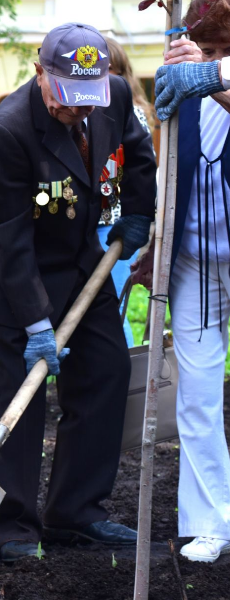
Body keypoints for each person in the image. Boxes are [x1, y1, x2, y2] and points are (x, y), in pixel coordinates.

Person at [0, 23, 157, 563]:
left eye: (86, 100)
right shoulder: (7, 132)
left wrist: (139, 211)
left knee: (107, 371)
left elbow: (139, 153)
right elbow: (5, 237)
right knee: (16, 404)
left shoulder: (111, 96)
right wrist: (36, 322)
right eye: (67, 99)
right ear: (40, 73)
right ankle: (13, 525)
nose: (78, 111)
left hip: (79, 265)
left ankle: (77, 513)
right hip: (9, 282)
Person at [137, 0, 230, 564]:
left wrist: (209, 72)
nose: (215, 58)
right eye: (210, 47)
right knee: (196, 397)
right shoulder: (181, 87)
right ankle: (210, 524)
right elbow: (168, 175)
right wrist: (157, 246)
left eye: (223, 49)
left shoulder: (207, 76)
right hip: (196, 260)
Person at [95, 37, 158, 347]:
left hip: (115, 224)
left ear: (123, 75)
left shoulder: (132, 113)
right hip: (82, 219)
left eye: (112, 71)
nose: (105, 78)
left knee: (112, 304)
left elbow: (143, 167)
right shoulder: (82, 111)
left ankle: (126, 375)